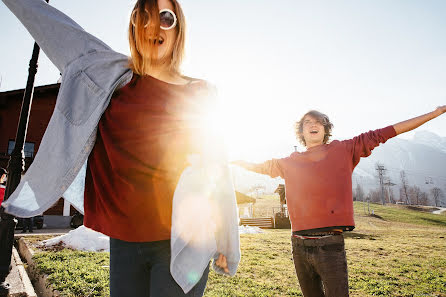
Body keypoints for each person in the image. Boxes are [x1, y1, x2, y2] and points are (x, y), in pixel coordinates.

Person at [1, 0, 240, 296]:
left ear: (179, 30)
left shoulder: (200, 92)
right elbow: (56, 28)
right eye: (143, 17)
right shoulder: (110, 77)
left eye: (165, 18)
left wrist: (227, 240)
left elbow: (217, 170)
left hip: (183, 240)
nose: (153, 26)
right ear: (133, 28)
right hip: (125, 241)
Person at [233, 106, 446, 297]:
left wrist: (434, 114)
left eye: (319, 122)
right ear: (301, 132)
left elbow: (385, 133)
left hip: (330, 245)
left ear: (326, 130)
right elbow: (261, 166)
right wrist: (236, 160)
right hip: (298, 245)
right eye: (307, 122)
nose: (313, 124)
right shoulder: (289, 162)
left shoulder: (344, 150)